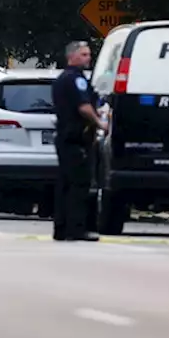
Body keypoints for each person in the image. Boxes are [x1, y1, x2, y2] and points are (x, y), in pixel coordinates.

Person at [51, 41, 103, 242]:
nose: (88, 58)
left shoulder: (64, 78)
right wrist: (99, 123)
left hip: (66, 137)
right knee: (79, 185)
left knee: (65, 184)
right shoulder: (76, 79)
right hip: (77, 139)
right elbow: (84, 107)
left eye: (88, 54)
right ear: (71, 56)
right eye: (83, 55)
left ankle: (62, 228)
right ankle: (76, 229)